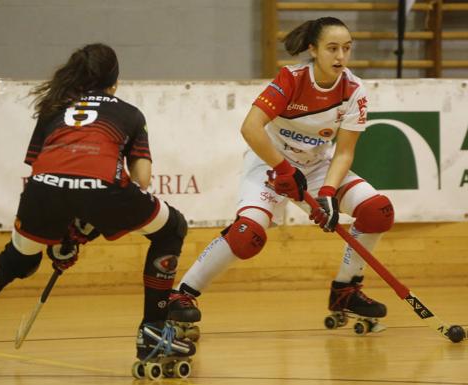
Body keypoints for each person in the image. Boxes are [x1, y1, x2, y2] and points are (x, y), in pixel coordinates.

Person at [0, 43, 194, 379]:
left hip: (41, 188)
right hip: (103, 188)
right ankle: (153, 332)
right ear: (115, 81)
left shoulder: (52, 109)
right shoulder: (130, 114)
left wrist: (63, 237)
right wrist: (84, 226)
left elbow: (51, 172)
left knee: (17, 259)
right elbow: (141, 179)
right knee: (171, 229)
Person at [167, 17, 394, 335]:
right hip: (268, 165)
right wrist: (285, 169)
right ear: (313, 50)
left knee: (377, 211)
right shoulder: (292, 79)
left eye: (346, 49)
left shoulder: (354, 90)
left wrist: (328, 191)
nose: (340, 57)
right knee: (247, 235)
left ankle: (346, 291)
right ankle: (182, 295)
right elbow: (250, 128)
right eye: (332, 49)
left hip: (315, 168)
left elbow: (343, 152)